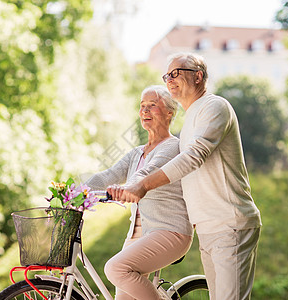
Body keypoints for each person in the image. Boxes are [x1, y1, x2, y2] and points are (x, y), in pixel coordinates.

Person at [107, 52, 262, 300]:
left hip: (230, 222)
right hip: (208, 227)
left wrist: (142, 186)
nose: (169, 79)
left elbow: (193, 157)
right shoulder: (191, 118)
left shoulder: (215, 106)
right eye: (167, 75)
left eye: (175, 73)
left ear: (198, 76)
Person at [85, 85, 193, 300]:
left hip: (169, 230)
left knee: (115, 269)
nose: (145, 111)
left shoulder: (173, 147)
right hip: (136, 235)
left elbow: (146, 174)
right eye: (142, 106)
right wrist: (74, 191)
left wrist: (125, 189)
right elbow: (108, 175)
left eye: (152, 106)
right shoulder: (137, 152)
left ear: (170, 112)